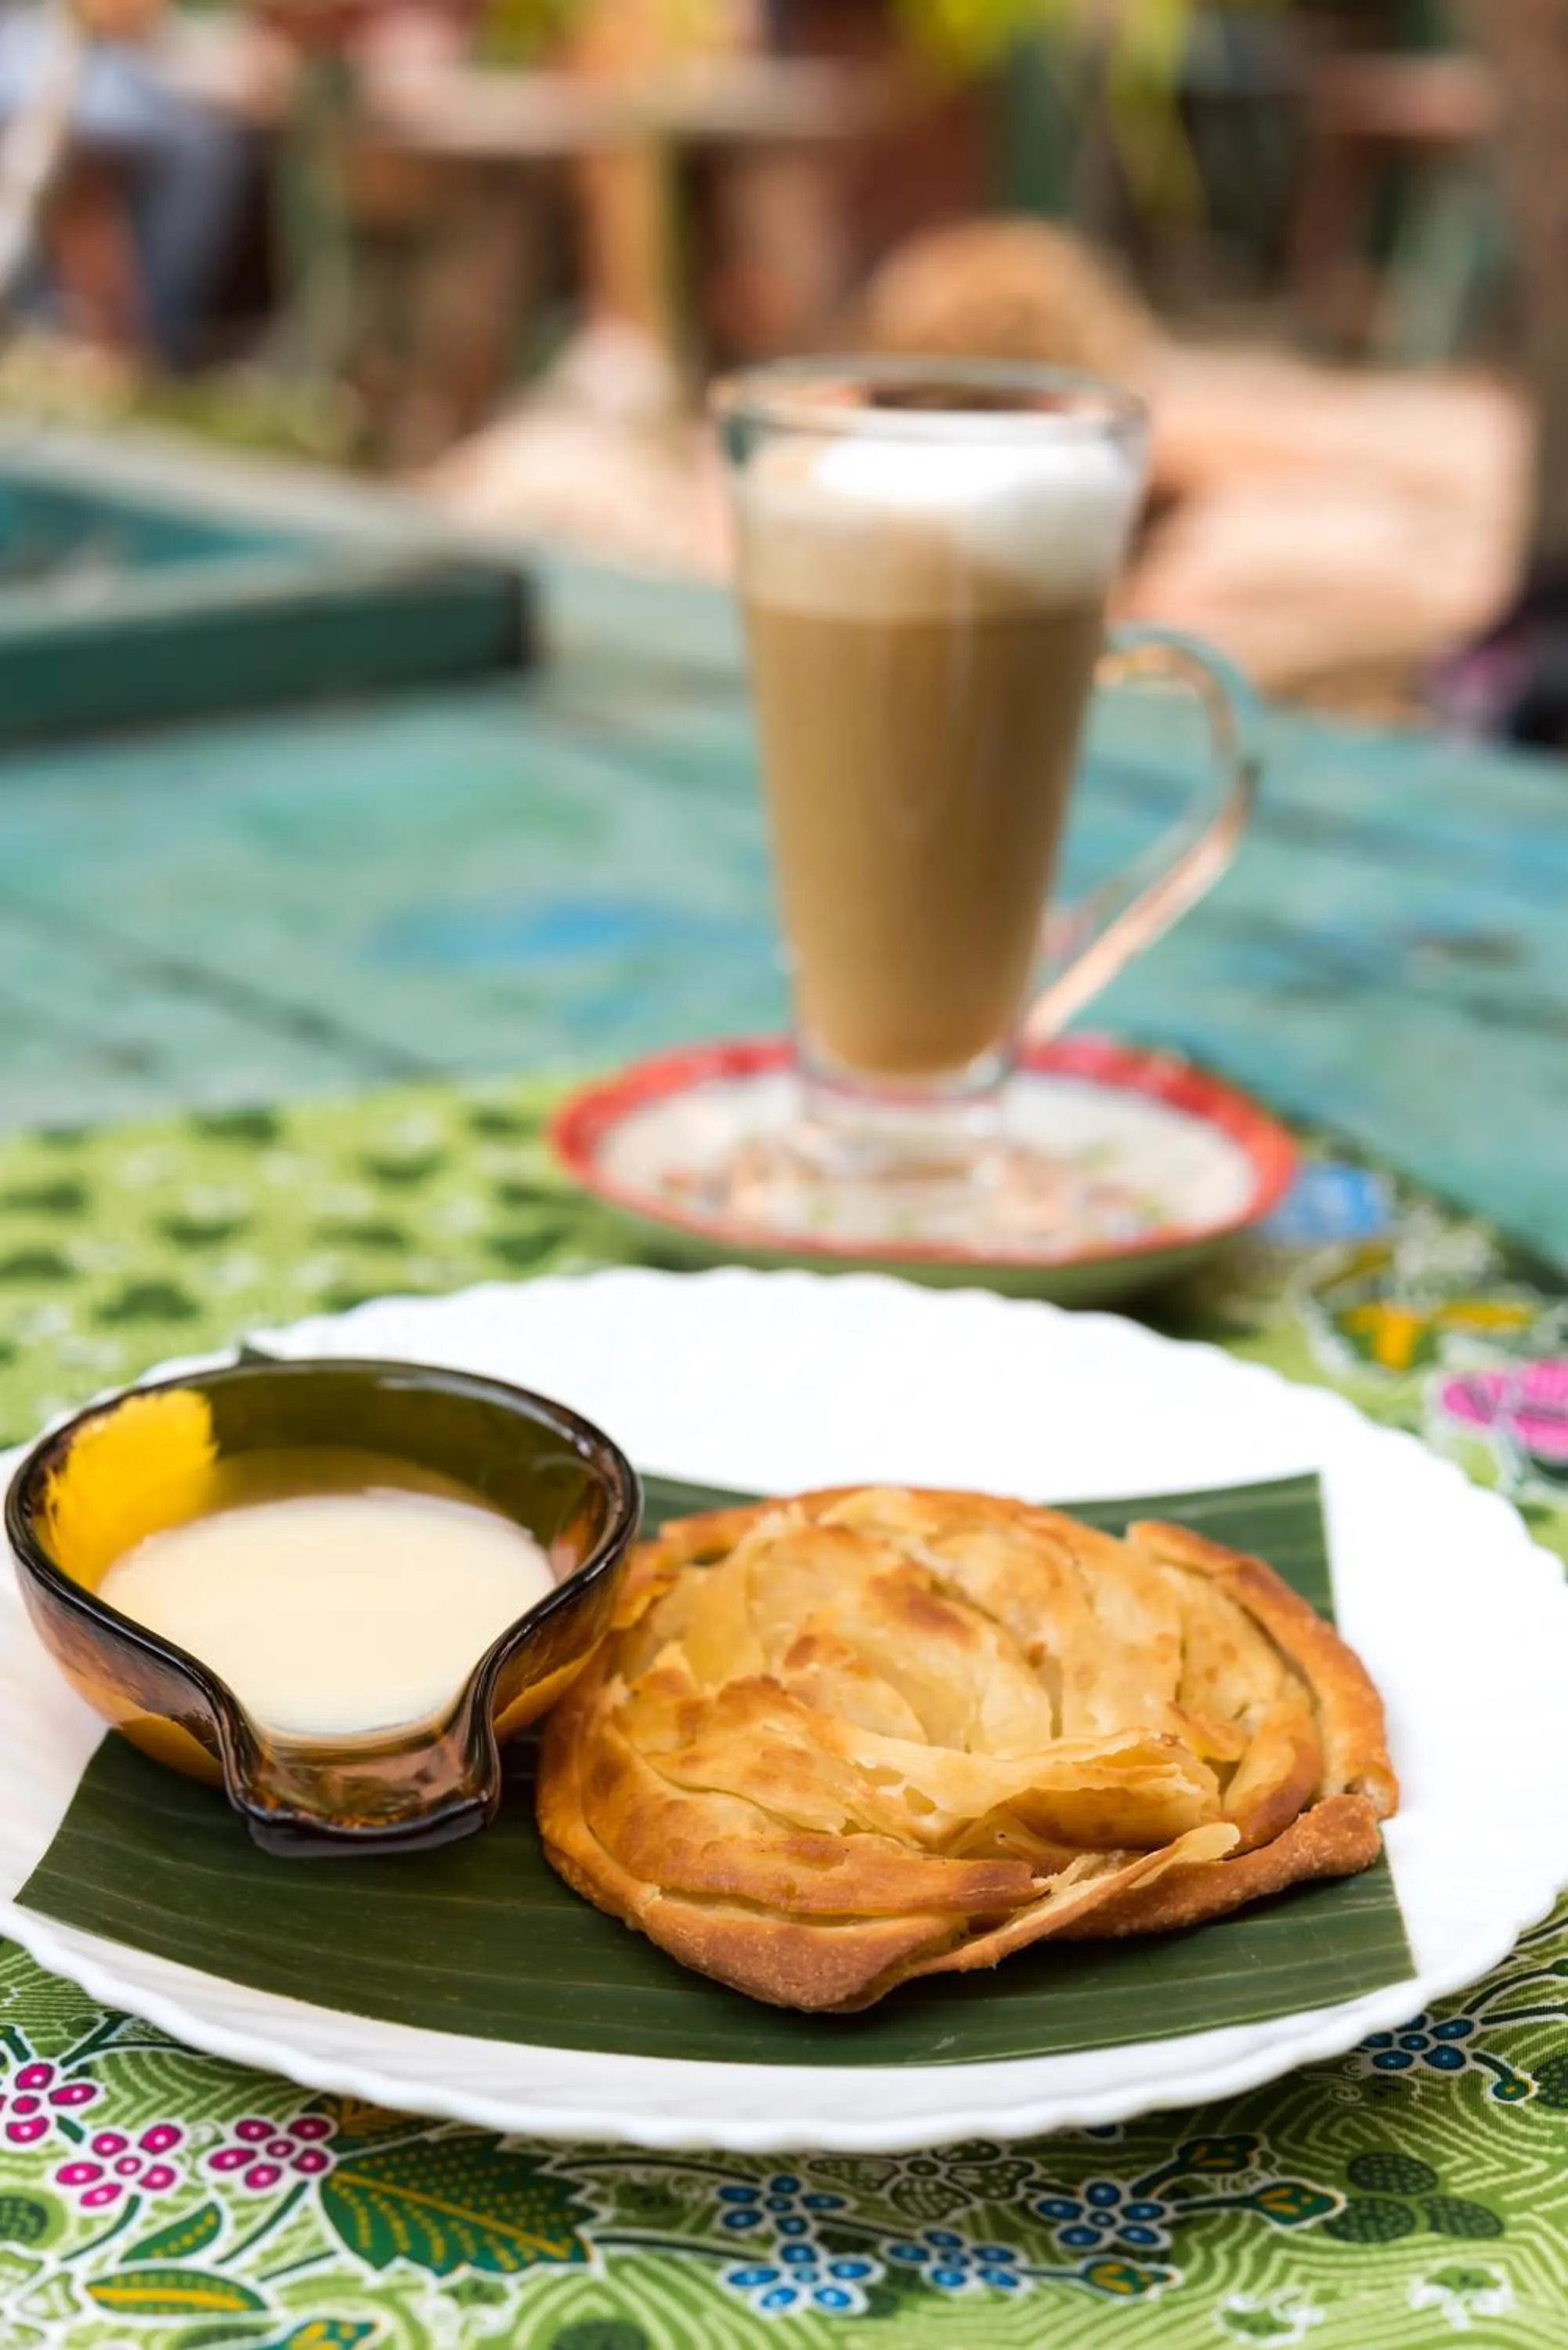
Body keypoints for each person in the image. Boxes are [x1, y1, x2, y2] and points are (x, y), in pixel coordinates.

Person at [0, 0, 251, 367]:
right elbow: (107, 14)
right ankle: (100, 336)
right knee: (98, 122)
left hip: (139, 66)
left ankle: (135, 348)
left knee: (210, 150)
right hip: (52, 61)